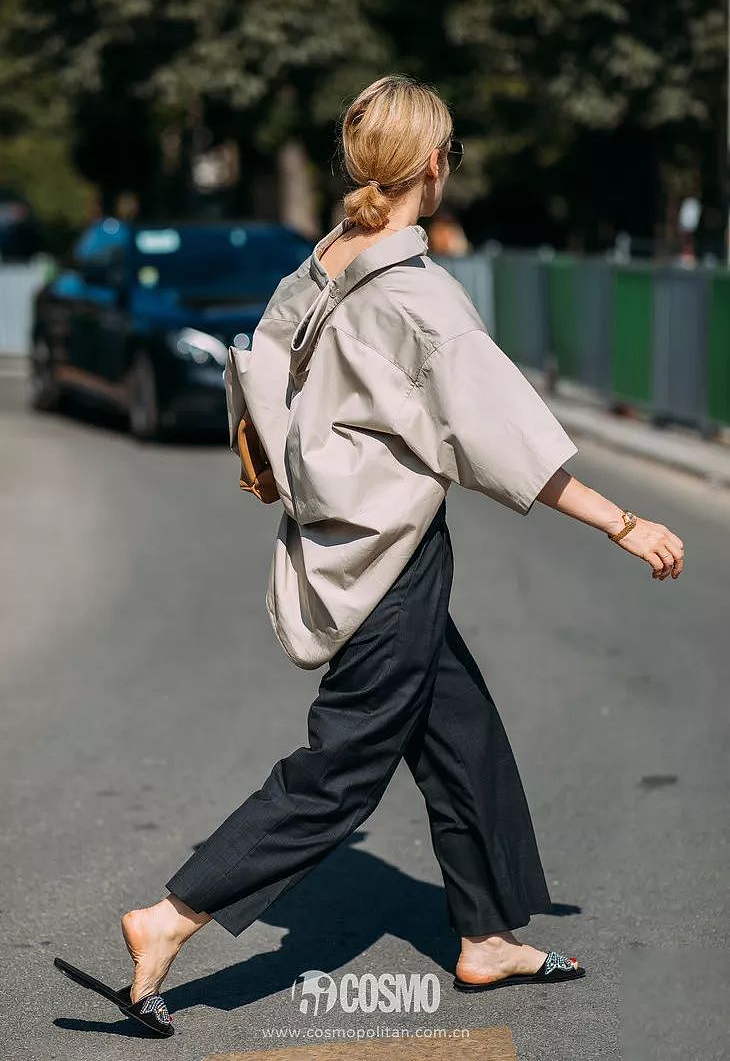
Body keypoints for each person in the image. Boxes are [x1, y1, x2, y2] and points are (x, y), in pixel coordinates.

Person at [55, 75, 685, 1036]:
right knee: (341, 769)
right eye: (452, 155)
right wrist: (624, 522)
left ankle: (486, 935)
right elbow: (509, 438)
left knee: (460, 733)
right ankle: (170, 918)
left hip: (344, 540)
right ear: (432, 166)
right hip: (393, 559)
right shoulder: (420, 299)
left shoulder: (320, 264)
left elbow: (256, 372)